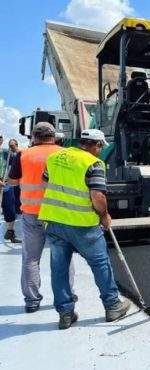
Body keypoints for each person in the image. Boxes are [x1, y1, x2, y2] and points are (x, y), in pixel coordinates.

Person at [39, 129, 130, 329]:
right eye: (100, 147)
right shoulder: (93, 163)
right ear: (96, 145)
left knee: (59, 269)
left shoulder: (54, 157)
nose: (100, 151)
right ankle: (113, 306)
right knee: (100, 264)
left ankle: (65, 314)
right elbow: (98, 197)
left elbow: (46, 183)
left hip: (54, 222)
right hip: (83, 225)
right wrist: (104, 216)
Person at [7, 122, 76, 313]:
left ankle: (32, 300)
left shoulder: (23, 155)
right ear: (54, 136)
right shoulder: (66, 153)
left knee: (31, 258)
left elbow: (12, 181)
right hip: (59, 213)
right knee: (63, 256)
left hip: (31, 213)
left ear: (34, 137)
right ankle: (68, 293)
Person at [0, 135, 21, 243]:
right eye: (11, 145)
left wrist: (14, 148)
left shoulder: (6, 153)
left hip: (6, 185)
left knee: (10, 208)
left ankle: (10, 232)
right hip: (2, 183)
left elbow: (20, 155)